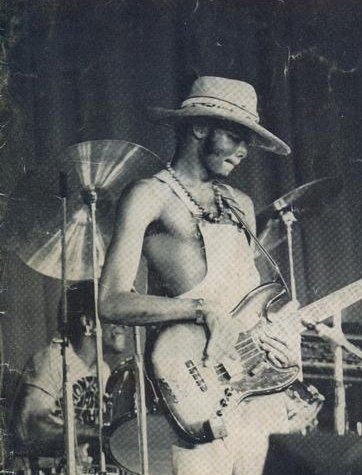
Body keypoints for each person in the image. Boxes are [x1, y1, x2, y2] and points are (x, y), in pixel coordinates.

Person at [99, 76, 301, 475]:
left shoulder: (241, 204)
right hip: (197, 388)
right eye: (235, 137)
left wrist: (280, 339)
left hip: (251, 387)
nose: (243, 151)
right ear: (199, 127)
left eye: (248, 142)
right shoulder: (149, 195)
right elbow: (110, 301)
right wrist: (201, 309)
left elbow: (250, 305)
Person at [11, 281, 127, 473]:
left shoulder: (102, 370)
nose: (123, 324)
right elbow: (29, 428)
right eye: (113, 316)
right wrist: (99, 433)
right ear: (88, 323)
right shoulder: (53, 359)